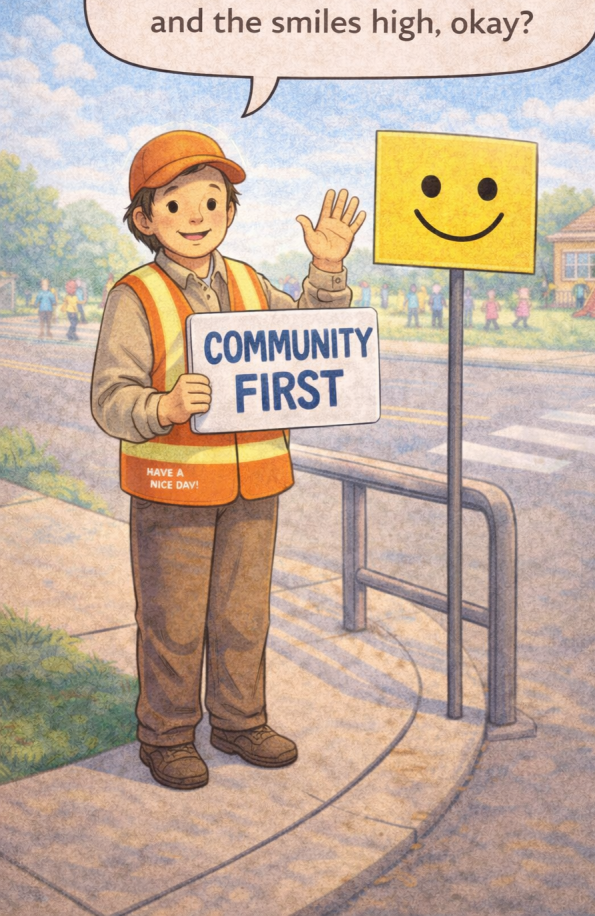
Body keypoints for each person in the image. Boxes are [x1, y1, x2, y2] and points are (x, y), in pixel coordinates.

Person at [91, 130, 365, 791]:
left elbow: (308, 338)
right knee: (172, 621)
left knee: (243, 617)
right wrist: (163, 406)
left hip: (254, 485)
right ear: (145, 218)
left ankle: (239, 722)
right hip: (172, 486)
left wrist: (325, 271)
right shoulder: (136, 295)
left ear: (229, 211)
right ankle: (165, 737)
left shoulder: (246, 280)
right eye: (177, 205)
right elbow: (109, 399)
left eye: (210, 203)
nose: (196, 219)